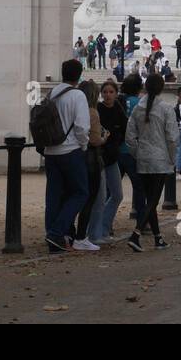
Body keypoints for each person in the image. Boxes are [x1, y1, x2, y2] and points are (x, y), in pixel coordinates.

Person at [42, 58, 92, 253]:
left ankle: (53, 235)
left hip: (50, 150)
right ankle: (56, 232)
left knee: (54, 195)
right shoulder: (77, 95)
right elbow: (81, 126)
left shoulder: (52, 93)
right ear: (79, 75)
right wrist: (84, 145)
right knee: (80, 192)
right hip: (70, 149)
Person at [125, 72, 177, 251]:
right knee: (153, 200)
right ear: (161, 88)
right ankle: (136, 233)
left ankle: (158, 238)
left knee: (150, 200)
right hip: (160, 158)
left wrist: (137, 153)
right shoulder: (166, 108)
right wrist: (172, 157)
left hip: (143, 157)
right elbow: (172, 137)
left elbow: (130, 137)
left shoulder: (137, 109)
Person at [88, 79, 127, 245]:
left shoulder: (119, 109)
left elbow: (124, 129)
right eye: (105, 92)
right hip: (100, 157)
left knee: (117, 194)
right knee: (100, 196)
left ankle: (103, 228)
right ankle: (95, 233)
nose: (108, 95)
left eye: (111, 92)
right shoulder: (98, 110)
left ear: (116, 94)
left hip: (112, 157)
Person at [71, 79, 105, 252]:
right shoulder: (92, 112)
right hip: (91, 157)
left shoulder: (75, 109)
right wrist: (105, 137)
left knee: (75, 196)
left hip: (75, 156)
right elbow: (95, 139)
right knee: (89, 198)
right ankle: (81, 236)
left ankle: (69, 233)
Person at [117, 74, 146, 224]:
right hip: (133, 150)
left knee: (112, 190)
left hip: (117, 150)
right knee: (140, 187)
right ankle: (141, 221)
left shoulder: (119, 101)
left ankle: (105, 223)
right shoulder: (139, 103)